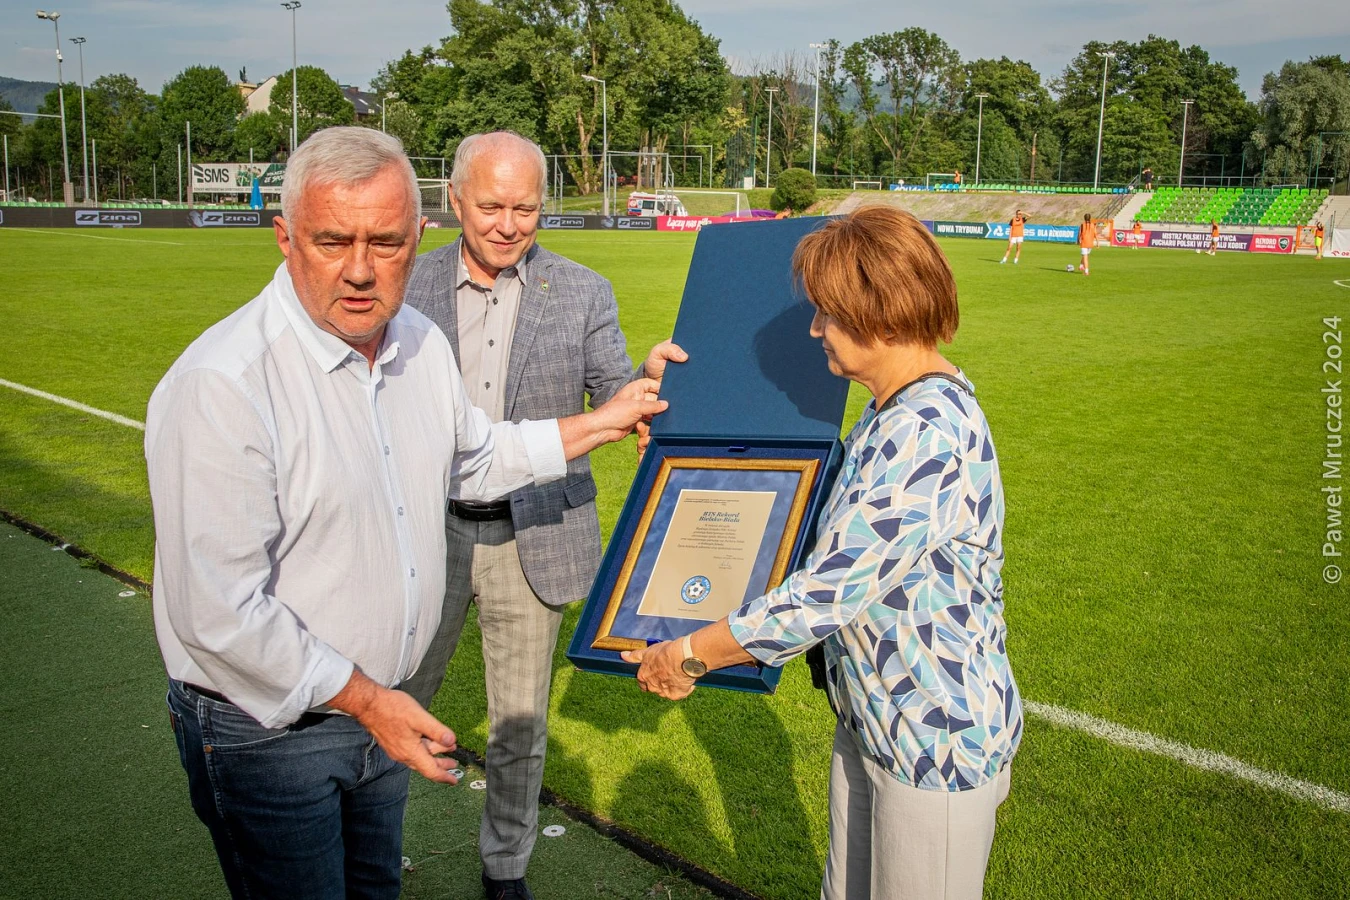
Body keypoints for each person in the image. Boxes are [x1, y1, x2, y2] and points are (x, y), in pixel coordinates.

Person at [145, 126, 665, 900]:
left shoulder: (414, 342)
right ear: (285, 237)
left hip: (375, 714)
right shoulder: (223, 384)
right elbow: (218, 612)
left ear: (417, 235)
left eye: (385, 242)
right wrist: (370, 702)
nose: (360, 270)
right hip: (272, 731)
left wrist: (607, 418)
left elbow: (475, 455)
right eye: (333, 241)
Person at [624, 205, 1021, 900]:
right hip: (875, 716)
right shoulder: (890, 411)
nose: (814, 330)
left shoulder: (924, 430)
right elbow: (819, 532)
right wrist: (682, 451)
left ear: (883, 317)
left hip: (934, 737)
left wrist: (688, 652)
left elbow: (824, 595)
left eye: (828, 314)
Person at [399, 131, 685, 900]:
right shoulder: (408, 285)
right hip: (425, 534)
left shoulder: (583, 290)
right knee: (395, 703)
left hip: (534, 539)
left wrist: (648, 382)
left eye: (524, 208)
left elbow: (613, 389)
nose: (508, 224)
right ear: (455, 200)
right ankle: (369, 849)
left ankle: (505, 870)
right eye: (491, 206)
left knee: (518, 729)